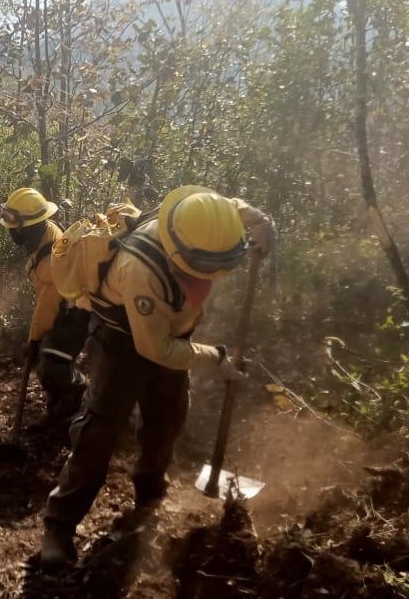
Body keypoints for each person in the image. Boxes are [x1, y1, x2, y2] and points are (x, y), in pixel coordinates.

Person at [38, 185, 277, 569]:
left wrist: (261, 222)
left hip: (170, 336)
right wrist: (216, 358)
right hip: (123, 343)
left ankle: (150, 496)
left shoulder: (201, 217)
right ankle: (59, 527)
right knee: (99, 431)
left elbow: (230, 209)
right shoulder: (141, 271)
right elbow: (157, 350)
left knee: (168, 417)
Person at [0, 188, 91, 429]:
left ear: (26, 227)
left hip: (77, 313)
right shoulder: (43, 233)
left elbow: (48, 305)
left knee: (49, 366)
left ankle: (82, 390)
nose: (10, 230)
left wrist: (34, 339)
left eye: (13, 226)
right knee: (49, 357)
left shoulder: (52, 258)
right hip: (65, 309)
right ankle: (60, 406)